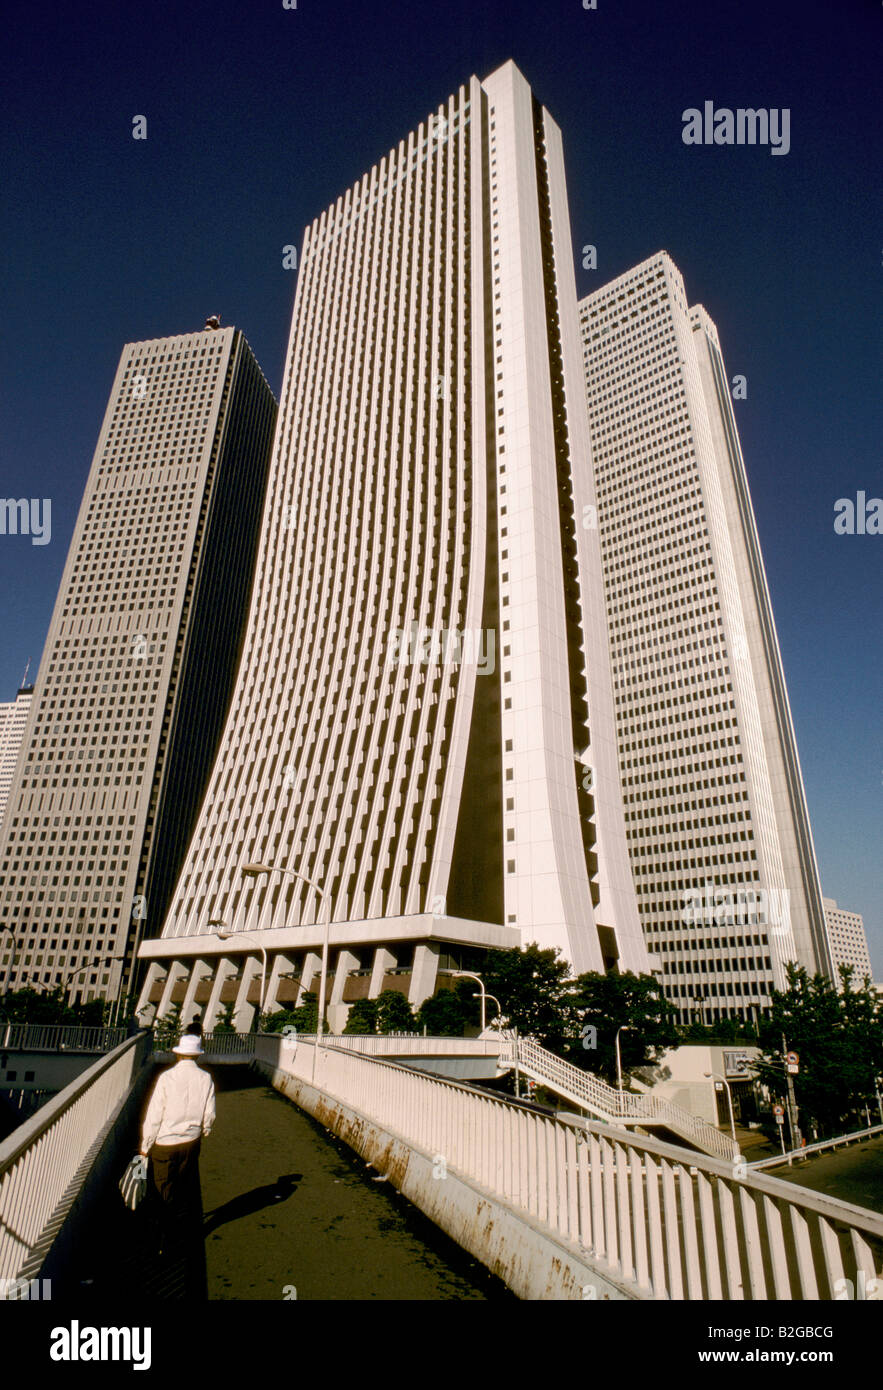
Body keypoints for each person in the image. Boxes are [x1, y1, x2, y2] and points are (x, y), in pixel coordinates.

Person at [139, 1033, 215, 1255]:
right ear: (197, 1056)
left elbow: (154, 1114)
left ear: (179, 1054)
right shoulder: (206, 1078)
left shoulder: (167, 1078)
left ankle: (165, 1239)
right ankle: (177, 1232)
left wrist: (146, 1145)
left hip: (165, 1142)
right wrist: (205, 1129)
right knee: (182, 1186)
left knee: (162, 1190)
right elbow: (209, 1113)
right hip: (191, 1141)